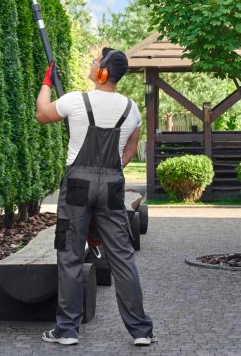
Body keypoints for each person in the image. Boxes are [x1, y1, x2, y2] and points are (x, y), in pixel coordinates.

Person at [35, 47, 156, 347]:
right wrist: (111, 170)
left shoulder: (76, 100)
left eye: (94, 62)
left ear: (102, 72)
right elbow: (130, 149)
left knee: (70, 255)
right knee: (122, 257)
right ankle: (140, 331)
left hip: (77, 185)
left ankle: (67, 330)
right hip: (112, 185)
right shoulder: (131, 108)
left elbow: (41, 114)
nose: (91, 65)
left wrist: (46, 83)